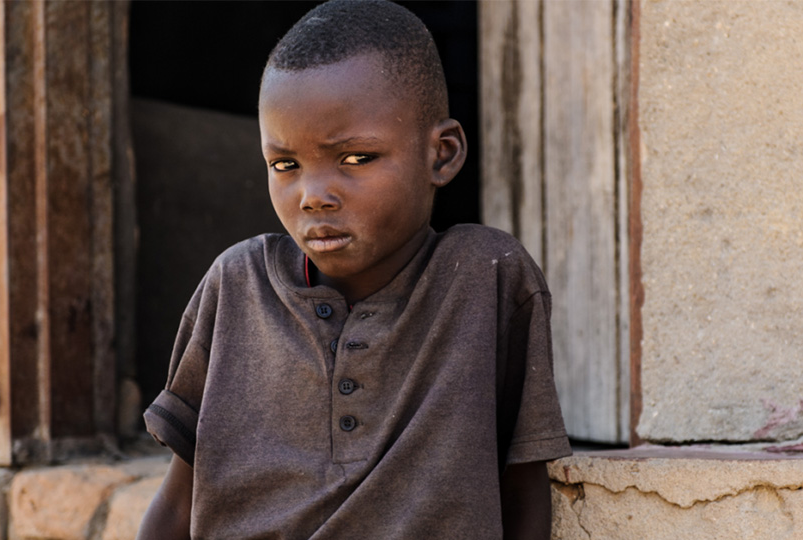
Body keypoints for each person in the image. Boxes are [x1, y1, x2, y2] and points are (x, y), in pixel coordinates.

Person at [137, 1, 571, 538]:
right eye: (285, 165)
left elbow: (524, 487)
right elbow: (177, 503)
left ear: (442, 154)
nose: (313, 195)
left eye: (356, 158)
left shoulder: (485, 279)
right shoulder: (237, 286)